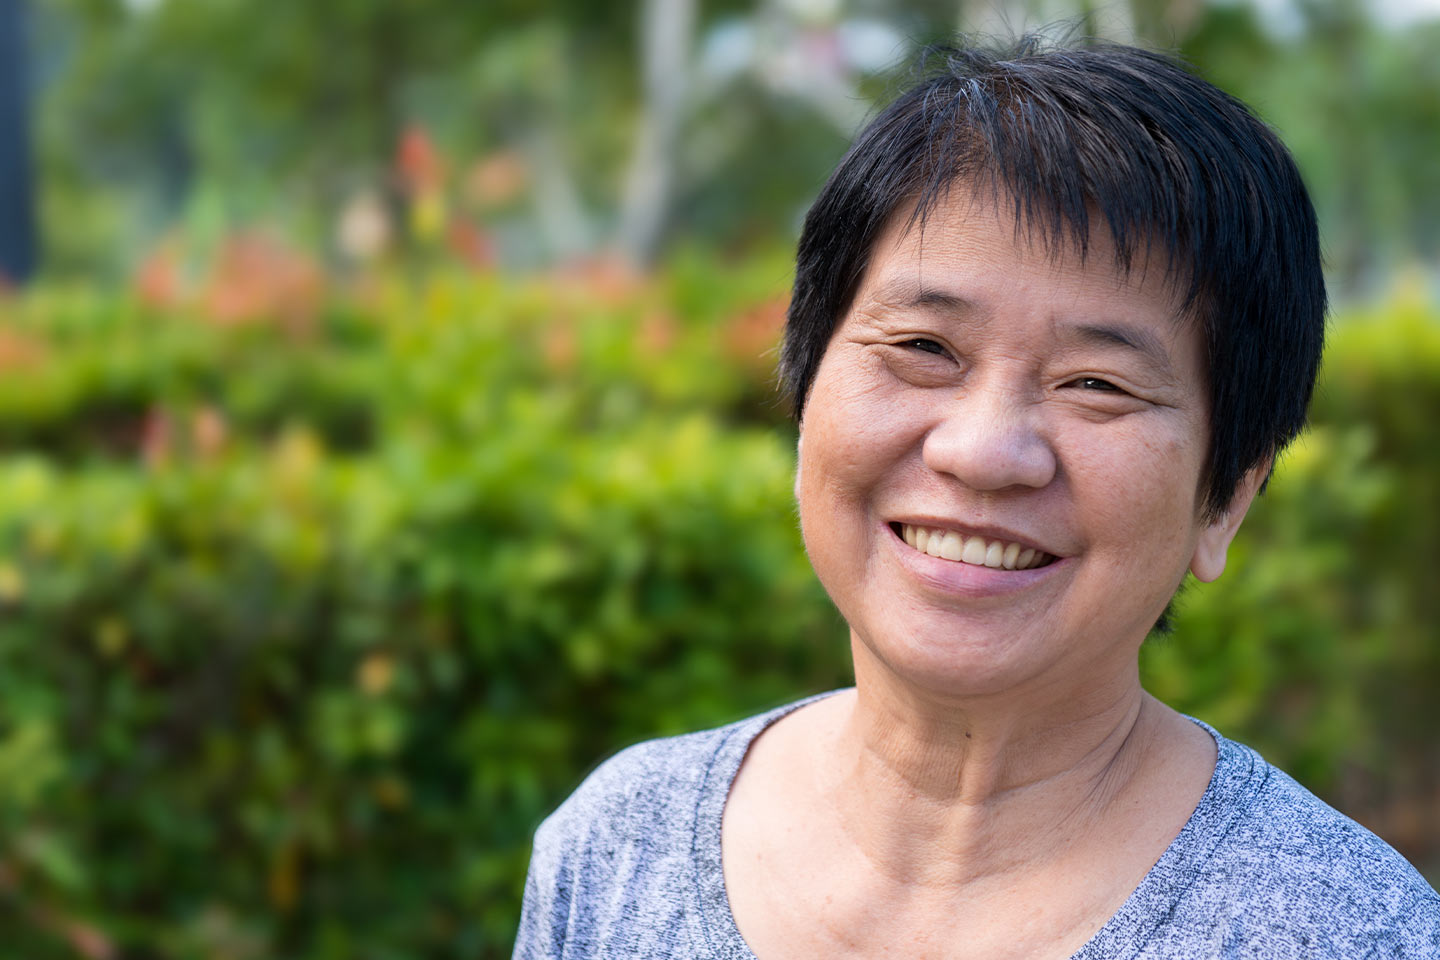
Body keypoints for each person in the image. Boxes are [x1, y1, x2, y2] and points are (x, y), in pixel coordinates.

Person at [513, 39, 1440, 959]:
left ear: (1226, 500)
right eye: (923, 348)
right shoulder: (616, 847)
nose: (984, 452)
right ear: (805, 398)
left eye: (1097, 384)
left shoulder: (1344, 931)